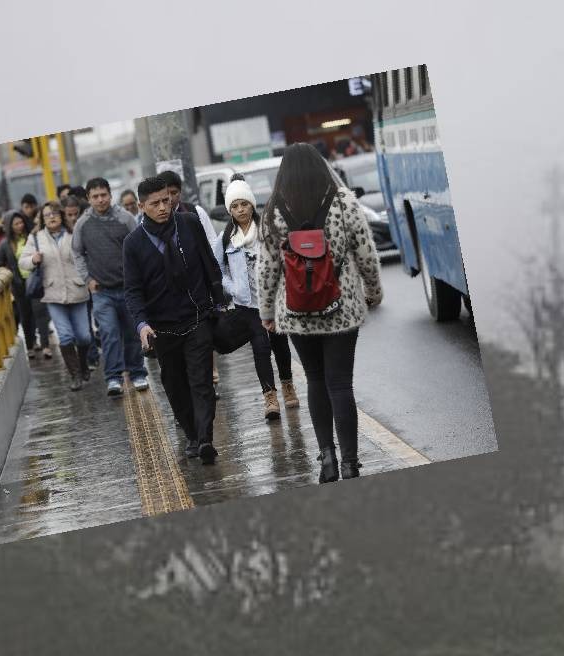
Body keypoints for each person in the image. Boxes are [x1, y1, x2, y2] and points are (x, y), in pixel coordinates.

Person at [257, 143, 383, 483]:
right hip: (341, 306)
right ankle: (351, 464)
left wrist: (266, 310)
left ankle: (327, 458)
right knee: (340, 384)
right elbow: (366, 252)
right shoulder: (343, 202)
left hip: (296, 312)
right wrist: (373, 290)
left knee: (314, 380)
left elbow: (268, 267)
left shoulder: (274, 210)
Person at [123, 174, 227, 462]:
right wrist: (142, 324)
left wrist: (218, 305)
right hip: (163, 329)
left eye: (166, 200)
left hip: (197, 318)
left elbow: (210, 266)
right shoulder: (133, 244)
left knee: (201, 380)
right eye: (154, 203)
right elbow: (132, 290)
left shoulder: (189, 224)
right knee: (175, 385)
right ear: (142, 206)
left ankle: (205, 439)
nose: (162, 207)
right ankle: (192, 436)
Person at [217, 177, 298, 421]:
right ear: (230, 210)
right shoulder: (226, 238)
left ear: (252, 205)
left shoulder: (267, 230)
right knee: (260, 348)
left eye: (244, 204)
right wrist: (232, 288)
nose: (240, 210)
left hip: (273, 301)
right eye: (235, 206)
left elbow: (285, 258)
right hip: (247, 305)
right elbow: (217, 268)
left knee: (280, 346)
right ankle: (269, 397)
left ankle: (287, 385)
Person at [74, 177, 150, 395]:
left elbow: (140, 247)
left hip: (128, 289)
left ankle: (137, 373)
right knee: (108, 333)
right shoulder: (83, 224)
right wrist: (87, 279)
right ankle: (114, 377)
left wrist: (138, 279)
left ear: (110, 195)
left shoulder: (125, 219)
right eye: (95, 196)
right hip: (101, 292)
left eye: (103, 195)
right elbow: (77, 253)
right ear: (88, 198)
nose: (100, 200)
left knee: (132, 332)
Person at [21, 201, 94, 390]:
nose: (51, 217)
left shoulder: (74, 233)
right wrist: (33, 259)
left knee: (84, 337)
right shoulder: (36, 237)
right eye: (47, 215)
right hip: (53, 293)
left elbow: (87, 255)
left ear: (61, 215)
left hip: (77, 289)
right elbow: (23, 261)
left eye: (55, 213)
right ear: (42, 219)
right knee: (66, 336)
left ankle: (84, 364)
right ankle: (75, 375)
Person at [0, 210, 41, 359]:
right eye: (16, 224)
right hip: (17, 285)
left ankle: (35, 340)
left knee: (37, 312)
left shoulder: (30, 238)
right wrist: (9, 276)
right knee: (25, 314)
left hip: (34, 280)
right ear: (10, 226)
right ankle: (29, 345)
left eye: (21, 222)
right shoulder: (4, 244)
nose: (19, 226)